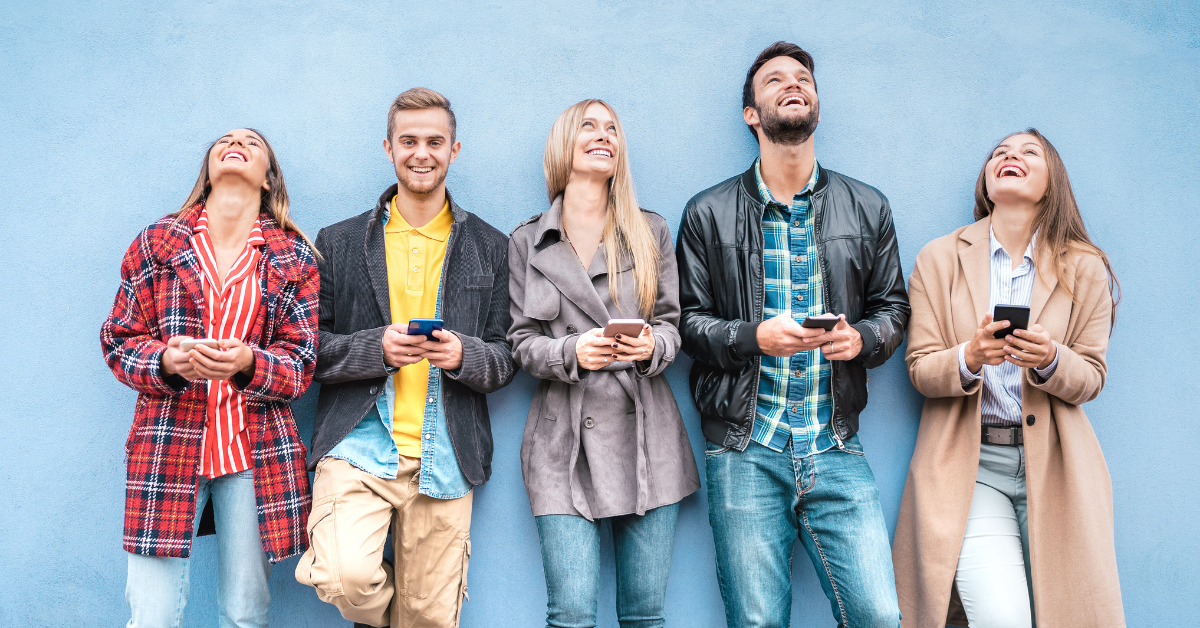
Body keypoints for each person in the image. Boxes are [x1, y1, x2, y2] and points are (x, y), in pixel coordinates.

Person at [676, 42, 910, 628]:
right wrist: (756, 336)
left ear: (817, 108)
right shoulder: (707, 212)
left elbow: (894, 309)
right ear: (752, 115)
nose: (792, 85)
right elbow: (687, 323)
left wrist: (862, 340)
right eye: (775, 80)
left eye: (802, 78)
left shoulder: (868, 206)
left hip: (834, 443)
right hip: (744, 446)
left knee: (879, 616)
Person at [294, 87, 514, 628]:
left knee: (431, 621)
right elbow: (307, 353)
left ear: (454, 150)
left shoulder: (491, 244)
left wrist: (464, 355)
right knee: (344, 575)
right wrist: (378, 349)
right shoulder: (340, 241)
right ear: (388, 147)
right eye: (409, 140)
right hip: (358, 444)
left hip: (447, 452)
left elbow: (508, 356)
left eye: (435, 141)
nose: (422, 153)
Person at [892, 129, 1125, 627]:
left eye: (1028, 152)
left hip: (1058, 468)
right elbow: (920, 367)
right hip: (971, 467)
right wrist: (970, 356)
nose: (1010, 157)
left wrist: (1049, 359)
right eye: (1000, 153)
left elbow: (1092, 376)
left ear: (1051, 182)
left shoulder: (1084, 267)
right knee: (1003, 618)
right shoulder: (939, 258)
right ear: (986, 180)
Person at [100, 128, 319, 628]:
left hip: (253, 453)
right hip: (166, 444)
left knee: (245, 614)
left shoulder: (294, 258)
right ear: (208, 168)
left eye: (252, 142)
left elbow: (302, 362)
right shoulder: (158, 242)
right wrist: (164, 362)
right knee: (151, 616)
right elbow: (119, 338)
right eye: (224, 140)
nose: (235, 142)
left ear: (269, 178)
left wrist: (249, 363)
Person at [507, 99, 700, 628]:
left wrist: (650, 348)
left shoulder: (650, 229)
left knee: (644, 616)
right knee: (570, 616)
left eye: (612, 128)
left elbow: (670, 324)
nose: (603, 135)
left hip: (647, 439)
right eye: (589, 126)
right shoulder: (528, 240)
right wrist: (572, 351)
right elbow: (521, 341)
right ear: (564, 143)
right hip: (561, 444)